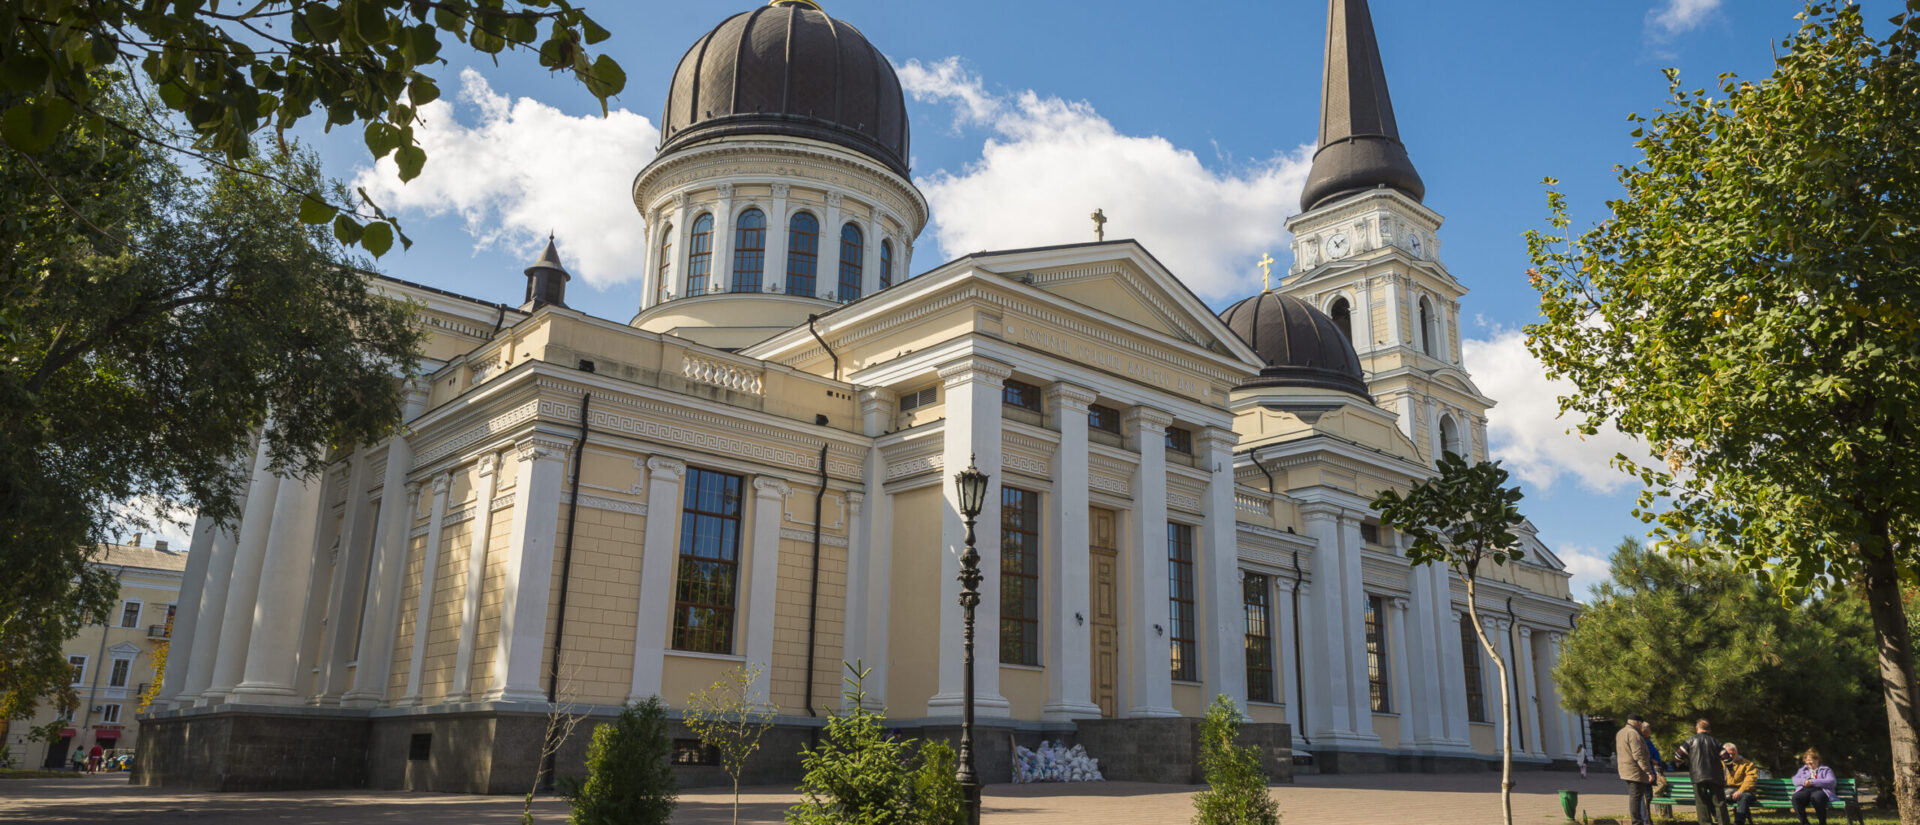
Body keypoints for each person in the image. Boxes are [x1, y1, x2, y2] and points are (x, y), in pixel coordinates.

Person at [1674, 719, 1729, 825]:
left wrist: (1679, 762)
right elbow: (1727, 758)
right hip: (1715, 777)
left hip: (1698, 776)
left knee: (1701, 803)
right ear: (1709, 730)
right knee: (1719, 802)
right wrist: (1730, 769)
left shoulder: (1690, 741)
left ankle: (1705, 823)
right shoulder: (1715, 742)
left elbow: (1678, 755)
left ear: (1697, 728)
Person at [1617, 715, 1656, 825]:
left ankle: (1637, 821)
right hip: (1636, 771)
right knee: (1636, 797)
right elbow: (1638, 755)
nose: (1641, 726)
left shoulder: (1621, 732)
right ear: (1637, 723)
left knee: (1635, 796)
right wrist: (1648, 772)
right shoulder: (1633, 734)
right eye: (1641, 724)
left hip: (1626, 770)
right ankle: (1637, 822)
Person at [1792, 748, 1838, 825]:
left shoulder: (1826, 770)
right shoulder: (1803, 770)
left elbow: (1832, 782)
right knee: (1796, 798)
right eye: (1807, 760)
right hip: (1805, 790)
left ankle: (1822, 823)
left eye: (1811, 760)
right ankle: (1805, 823)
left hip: (1820, 790)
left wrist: (1813, 782)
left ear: (1817, 760)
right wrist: (1804, 782)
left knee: (1817, 797)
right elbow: (1795, 779)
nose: (1808, 762)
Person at [1723, 743, 1759, 825]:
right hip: (1728, 791)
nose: (1731, 756)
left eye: (1733, 754)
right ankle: (1719, 820)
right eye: (1728, 754)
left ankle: (1739, 822)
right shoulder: (1721, 764)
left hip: (1746, 792)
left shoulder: (1748, 764)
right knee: (1712, 796)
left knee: (1744, 797)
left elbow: (1750, 780)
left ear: (1737, 752)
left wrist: (1740, 791)